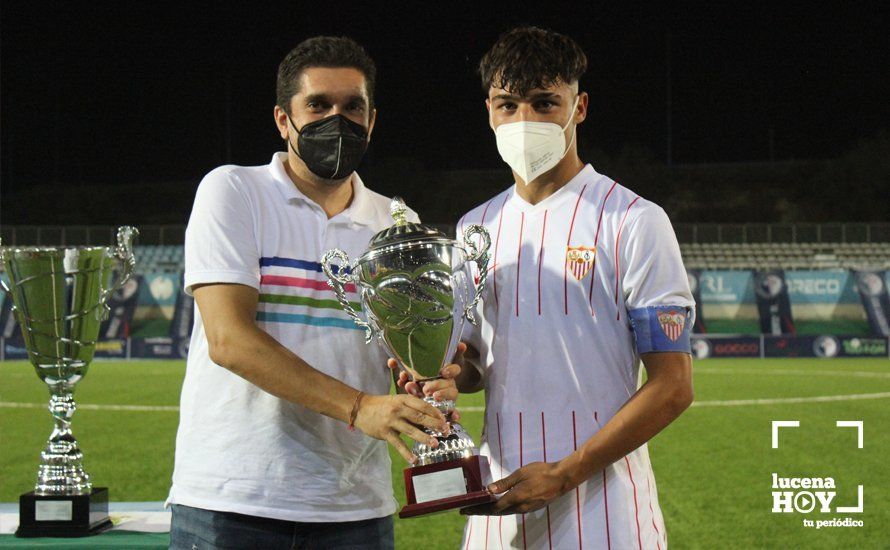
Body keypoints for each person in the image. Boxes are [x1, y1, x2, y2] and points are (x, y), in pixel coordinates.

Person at [167, 36, 457, 550]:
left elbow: (399, 355)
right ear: (284, 120)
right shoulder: (234, 191)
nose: (336, 120)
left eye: (352, 107)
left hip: (354, 505)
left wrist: (424, 377)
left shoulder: (397, 222)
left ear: (371, 121)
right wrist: (359, 407)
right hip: (235, 500)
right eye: (318, 105)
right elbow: (229, 340)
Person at [455, 27, 694, 549]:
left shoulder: (634, 220)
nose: (524, 121)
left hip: (604, 510)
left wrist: (566, 472)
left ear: (578, 107)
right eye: (507, 104)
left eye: (545, 103)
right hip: (498, 502)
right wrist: (448, 371)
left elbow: (673, 386)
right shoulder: (473, 229)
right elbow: (473, 366)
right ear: (489, 111)